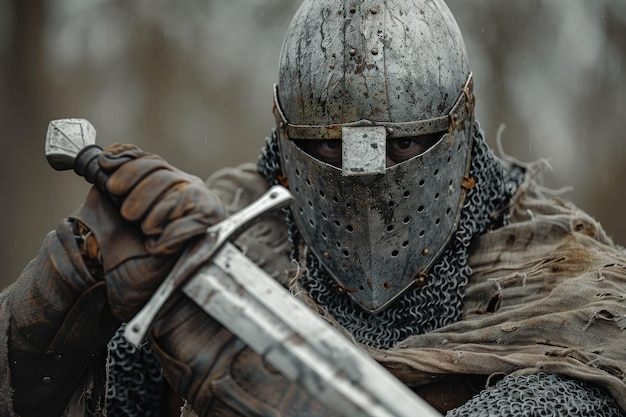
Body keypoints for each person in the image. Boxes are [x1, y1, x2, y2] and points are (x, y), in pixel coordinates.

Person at [2, 0, 626, 416]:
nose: (370, 179)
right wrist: (56, 307)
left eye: (403, 143)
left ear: (460, 131)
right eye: (329, 145)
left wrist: (257, 383)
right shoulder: (219, 235)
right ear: (283, 139)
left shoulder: (561, 284)